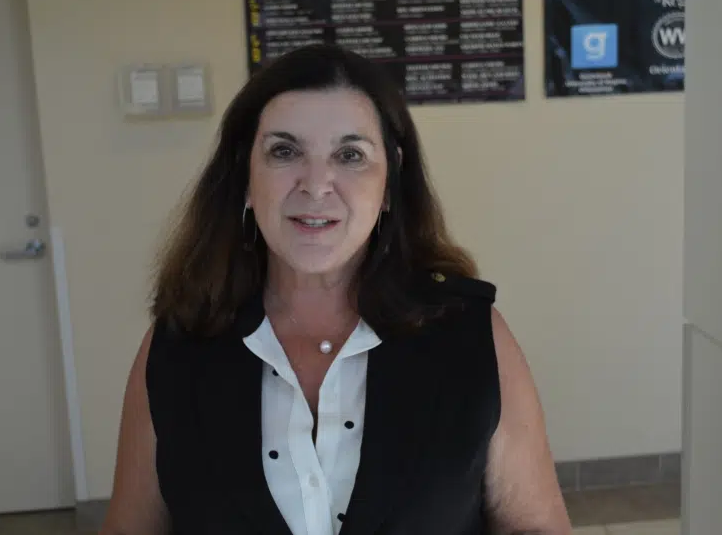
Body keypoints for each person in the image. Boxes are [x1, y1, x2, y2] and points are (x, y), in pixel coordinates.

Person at [100, 44, 572, 535]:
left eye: (350, 155)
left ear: (390, 181)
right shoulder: (177, 345)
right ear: (244, 176)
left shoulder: (471, 335)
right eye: (285, 151)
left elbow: (535, 526)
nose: (317, 184)